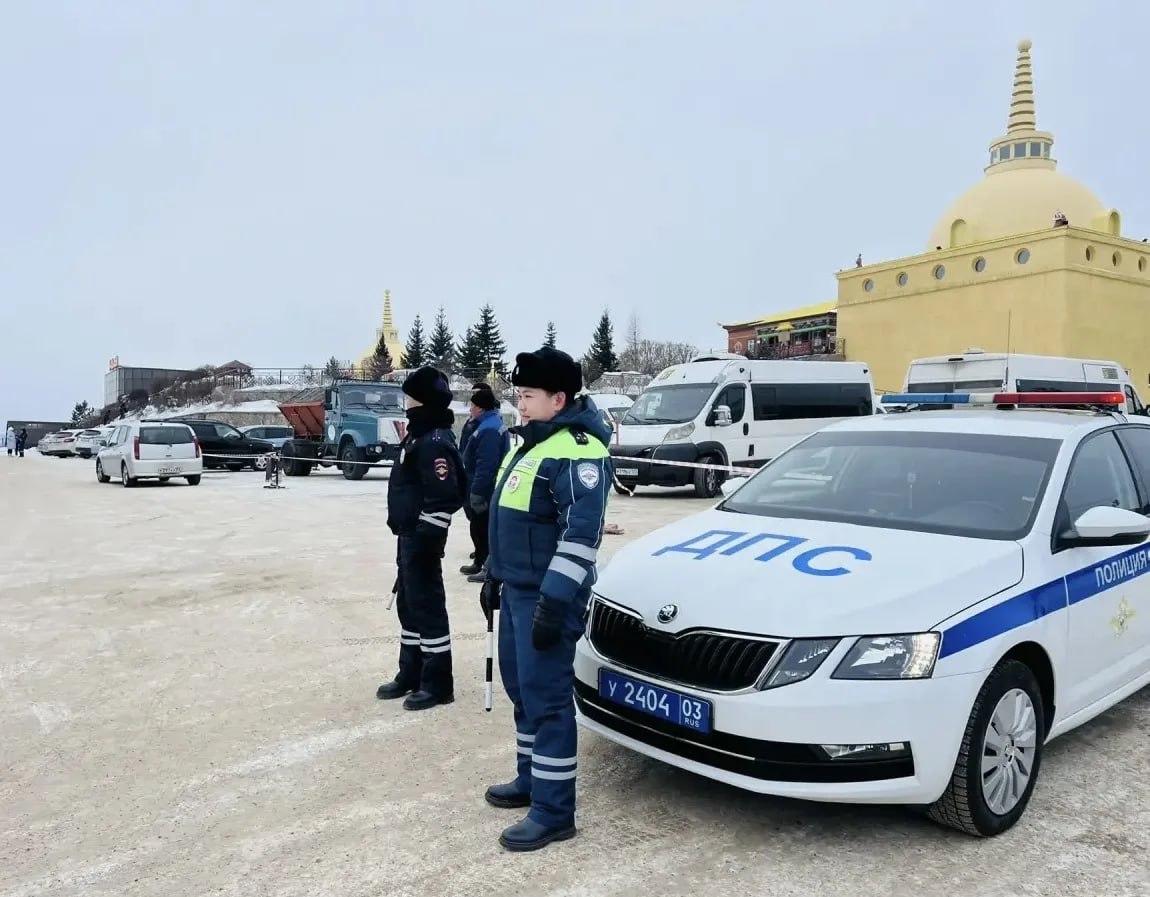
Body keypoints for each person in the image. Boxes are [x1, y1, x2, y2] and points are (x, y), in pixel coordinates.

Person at [480, 346, 612, 852]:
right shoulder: (531, 444)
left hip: (548, 596)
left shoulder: (578, 451)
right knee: (522, 690)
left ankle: (555, 812)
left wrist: (553, 603)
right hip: (517, 590)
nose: (520, 403)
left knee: (550, 701)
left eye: (529, 395)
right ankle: (531, 779)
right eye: (518, 394)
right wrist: (495, 573)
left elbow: (580, 537)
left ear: (559, 398)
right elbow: (510, 520)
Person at [377, 366, 467, 711]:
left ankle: (438, 683)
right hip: (408, 535)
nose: (405, 402)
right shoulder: (417, 435)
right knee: (409, 606)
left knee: (428, 609)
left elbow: (445, 495)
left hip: (423, 538)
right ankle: (410, 673)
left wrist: (428, 537)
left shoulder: (434, 441)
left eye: (410, 396)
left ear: (423, 400)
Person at [460, 386, 510, 581]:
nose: (470, 409)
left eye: (472, 406)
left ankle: (487, 567)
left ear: (480, 408)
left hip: (484, 486)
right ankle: (480, 562)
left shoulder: (488, 429)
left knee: (483, 527)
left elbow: (486, 464)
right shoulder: (487, 423)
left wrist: (478, 491)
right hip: (480, 482)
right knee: (479, 526)